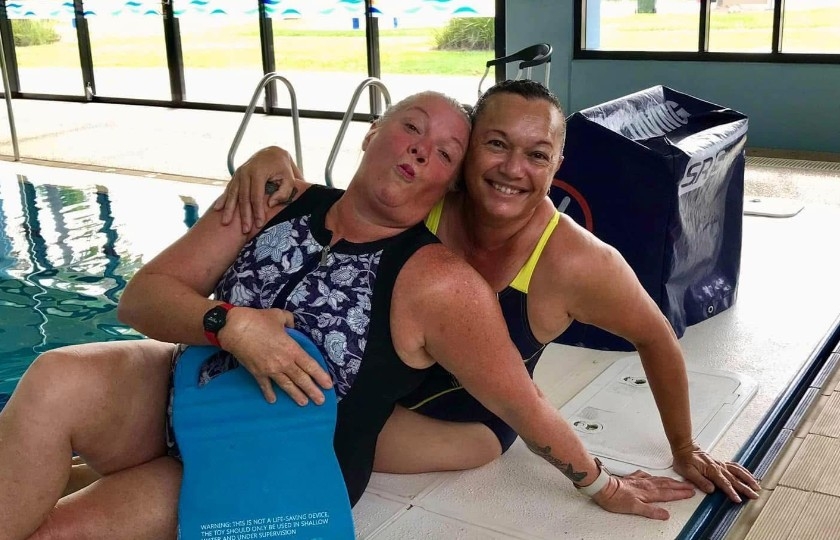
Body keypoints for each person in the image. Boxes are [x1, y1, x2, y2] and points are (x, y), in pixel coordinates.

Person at [0, 91, 694, 540]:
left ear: (445, 182)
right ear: (369, 133)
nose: (421, 149)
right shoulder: (276, 196)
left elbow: (522, 402)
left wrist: (605, 480)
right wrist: (230, 325)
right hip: (185, 384)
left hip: (269, 446)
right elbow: (141, 297)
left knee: (60, 529)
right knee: (55, 376)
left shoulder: (445, 281)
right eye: (410, 128)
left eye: (443, 151)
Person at [221, 80, 760, 503]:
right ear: (467, 152)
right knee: (247, 405)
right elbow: (353, 201)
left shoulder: (577, 263)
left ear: (558, 165)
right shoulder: (428, 199)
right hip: (371, 384)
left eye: (537, 155)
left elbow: (656, 337)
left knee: (276, 431)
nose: (512, 170)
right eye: (496, 145)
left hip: (457, 423)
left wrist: (684, 449)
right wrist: (275, 160)